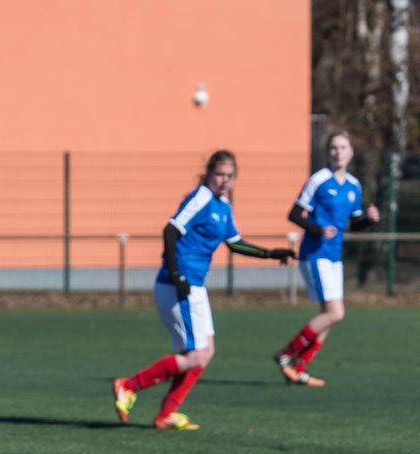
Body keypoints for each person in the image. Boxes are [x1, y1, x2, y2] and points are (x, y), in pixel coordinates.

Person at [112, 150, 294, 430]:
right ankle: (129, 386)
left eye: (229, 176)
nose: (224, 180)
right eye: (219, 174)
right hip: (179, 284)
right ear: (208, 173)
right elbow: (170, 230)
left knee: (205, 351)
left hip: (195, 285)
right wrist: (175, 273)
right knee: (196, 354)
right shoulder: (201, 198)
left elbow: (234, 243)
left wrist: (270, 254)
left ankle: (167, 413)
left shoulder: (223, 207)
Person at [273, 131, 379, 386]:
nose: (338, 152)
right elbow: (295, 214)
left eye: (343, 147)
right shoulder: (318, 180)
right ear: (327, 152)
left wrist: (369, 219)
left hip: (334, 257)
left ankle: (299, 368)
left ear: (351, 152)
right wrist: (318, 229)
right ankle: (287, 354)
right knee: (334, 313)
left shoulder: (353, 185)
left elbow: (354, 223)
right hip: (315, 253)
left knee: (329, 316)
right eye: (333, 148)